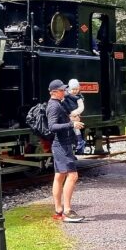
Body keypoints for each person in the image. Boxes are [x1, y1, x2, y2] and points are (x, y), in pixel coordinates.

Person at [46, 79, 85, 222]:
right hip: (61, 145)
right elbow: (52, 127)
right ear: (54, 92)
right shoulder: (54, 106)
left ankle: (59, 210)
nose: (65, 92)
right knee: (72, 176)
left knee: (59, 176)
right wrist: (71, 124)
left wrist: (71, 119)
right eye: (62, 90)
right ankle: (67, 211)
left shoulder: (58, 104)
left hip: (62, 145)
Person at [63, 78, 86, 154]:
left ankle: (80, 141)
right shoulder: (65, 96)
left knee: (76, 127)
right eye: (73, 89)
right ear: (69, 88)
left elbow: (81, 107)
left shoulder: (79, 98)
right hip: (67, 115)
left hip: (74, 115)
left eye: (76, 89)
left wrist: (75, 113)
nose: (75, 91)